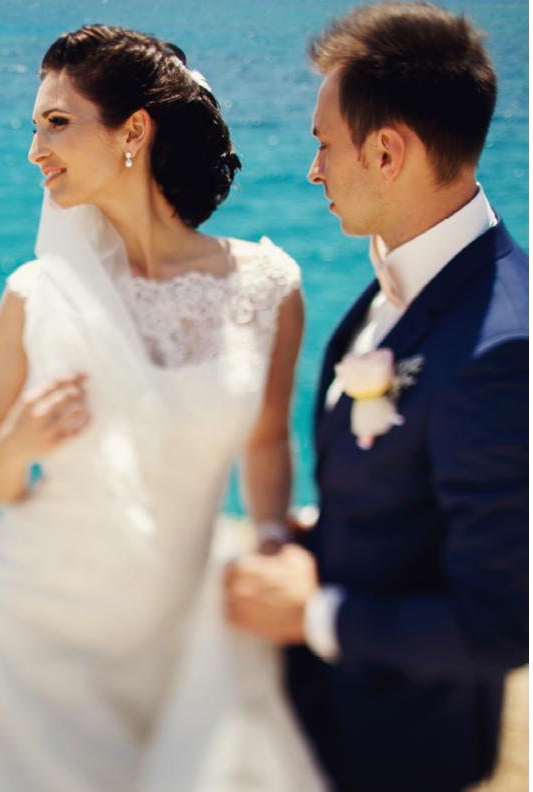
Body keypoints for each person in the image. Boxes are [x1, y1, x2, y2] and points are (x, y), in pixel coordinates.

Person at [0, 25, 326, 791]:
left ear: (134, 130)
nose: (36, 149)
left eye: (58, 122)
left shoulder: (268, 286)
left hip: (183, 632)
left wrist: (272, 537)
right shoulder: (31, 297)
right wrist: (18, 441)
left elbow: (267, 441)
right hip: (35, 629)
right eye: (35, 126)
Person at [224, 4, 529, 792]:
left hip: (407, 748)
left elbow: (501, 624)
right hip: (327, 718)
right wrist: (332, 530)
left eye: (324, 145)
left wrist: (311, 613)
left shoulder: (502, 349)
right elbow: (422, 486)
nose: (314, 170)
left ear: (388, 152)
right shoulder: (407, 278)